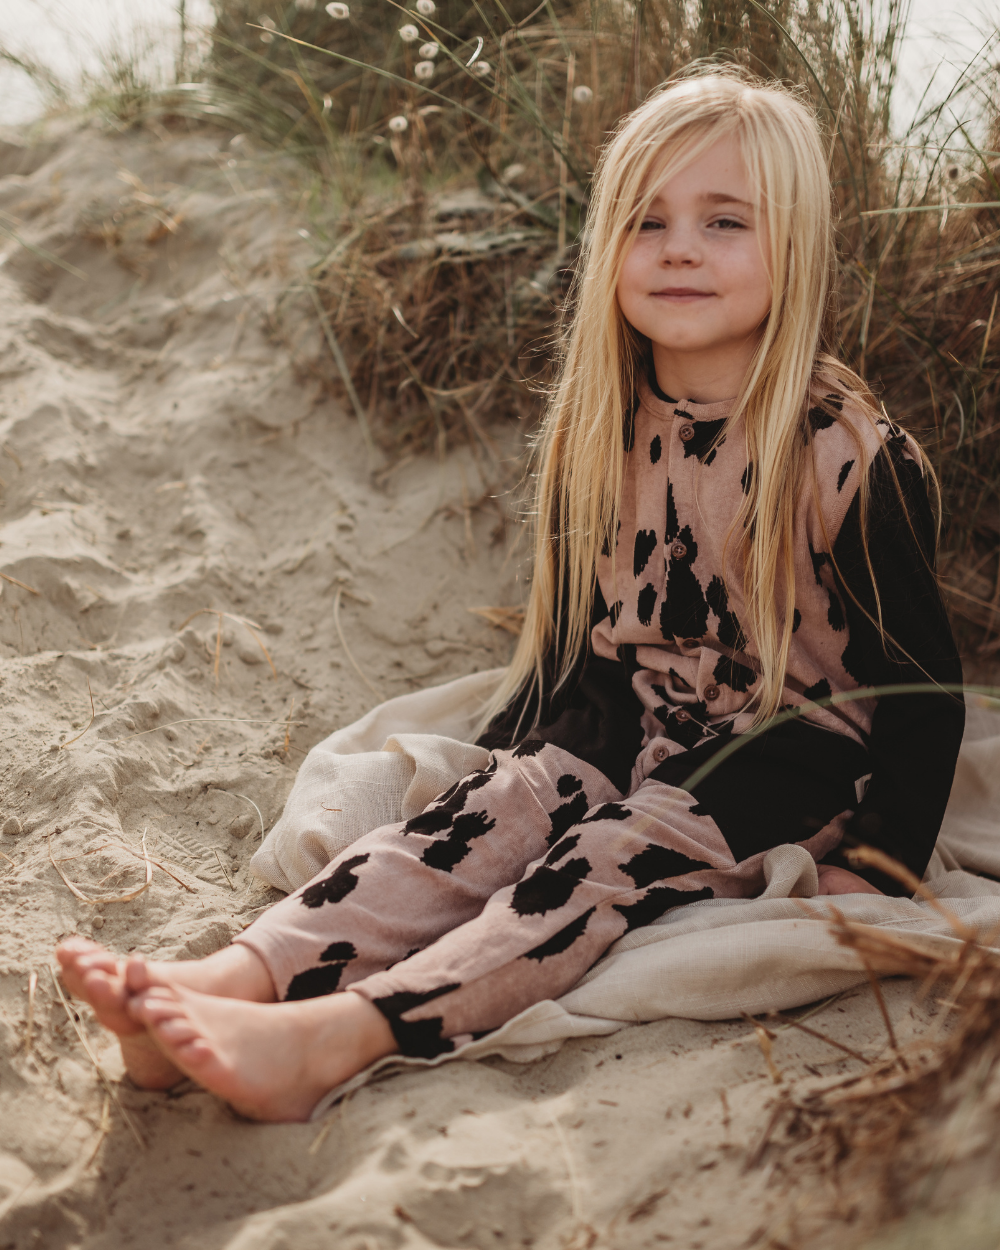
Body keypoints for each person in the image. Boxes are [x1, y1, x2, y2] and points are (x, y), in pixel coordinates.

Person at [57, 67, 965, 1124]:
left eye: (724, 221)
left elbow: (921, 687)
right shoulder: (604, 420)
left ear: (794, 250)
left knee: (597, 862)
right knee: (478, 819)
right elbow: (589, 630)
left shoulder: (843, 449)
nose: (678, 246)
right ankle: (240, 976)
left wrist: (881, 856)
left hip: (778, 749)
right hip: (633, 718)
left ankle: (340, 1035)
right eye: (648, 220)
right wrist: (517, 762)